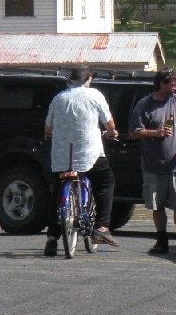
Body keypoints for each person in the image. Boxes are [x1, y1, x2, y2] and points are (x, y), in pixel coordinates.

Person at [43, 63, 119, 256]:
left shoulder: (58, 99)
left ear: (69, 80)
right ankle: (102, 227)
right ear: (88, 79)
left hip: (61, 157)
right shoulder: (94, 95)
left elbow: (48, 128)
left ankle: (52, 238)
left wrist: (51, 135)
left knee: (56, 192)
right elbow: (108, 123)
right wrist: (112, 133)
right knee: (105, 182)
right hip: (89, 154)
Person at [129, 68, 176, 256]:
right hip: (153, 165)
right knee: (157, 205)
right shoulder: (145, 105)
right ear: (162, 83)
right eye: (173, 83)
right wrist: (155, 133)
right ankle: (161, 241)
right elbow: (134, 131)